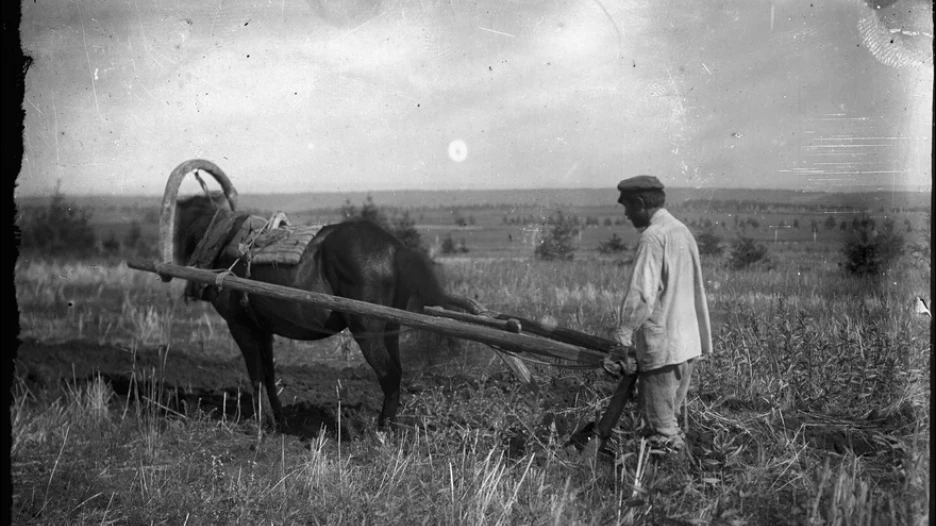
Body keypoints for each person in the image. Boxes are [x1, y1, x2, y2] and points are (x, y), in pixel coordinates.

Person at [605, 175, 712, 452]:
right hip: (685, 344)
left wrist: (624, 336)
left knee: (660, 431)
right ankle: (680, 484)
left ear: (640, 203)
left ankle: (674, 489)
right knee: (668, 422)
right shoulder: (680, 230)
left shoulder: (653, 237)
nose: (626, 214)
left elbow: (642, 294)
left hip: (663, 348)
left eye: (627, 206)